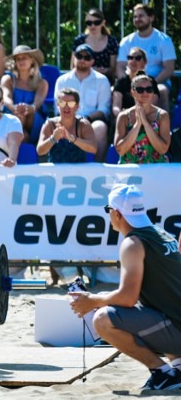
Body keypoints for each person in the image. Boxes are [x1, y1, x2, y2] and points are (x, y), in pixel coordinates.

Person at [70, 183, 181, 391]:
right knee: (146, 305)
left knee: (102, 320)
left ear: (117, 214)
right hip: (174, 320)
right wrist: (99, 297)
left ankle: (163, 373)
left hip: (176, 329)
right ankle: (177, 368)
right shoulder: (162, 234)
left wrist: (91, 301)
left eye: (107, 210)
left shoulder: (133, 243)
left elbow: (128, 298)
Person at [54, 43, 111, 162]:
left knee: (100, 127)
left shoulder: (102, 80)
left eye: (87, 57)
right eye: (79, 56)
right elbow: (57, 108)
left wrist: (86, 120)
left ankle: (98, 167)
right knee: (52, 126)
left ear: (92, 61)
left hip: (91, 121)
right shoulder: (62, 80)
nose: (82, 60)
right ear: (74, 58)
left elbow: (104, 110)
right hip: (66, 119)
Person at [116, 4, 176, 112]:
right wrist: (127, 83)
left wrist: (150, 84)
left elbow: (169, 68)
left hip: (158, 82)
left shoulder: (163, 40)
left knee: (161, 91)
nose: (137, 19)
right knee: (115, 92)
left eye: (141, 16)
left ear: (151, 17)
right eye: (135, 17)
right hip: (131, 81)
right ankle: (117, 126)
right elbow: (120, 67)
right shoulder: (126, 41)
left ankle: (163, 126)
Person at [114, 74, 170, 164]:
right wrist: (137, 125)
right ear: (132, 92)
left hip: (155, 169)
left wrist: (146, 124)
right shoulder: (123, 116)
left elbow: (163, 149)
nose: (145, 93)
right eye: (140, 90)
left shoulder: (162, 115)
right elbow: (121, 150)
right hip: (130, 170)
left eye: (149, 89)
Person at [1, 45, 49, 143]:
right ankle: (22, 138)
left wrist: (29, 108)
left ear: (32, 60)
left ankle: (22, 140)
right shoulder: (8, 79)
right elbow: (6, 97)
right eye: (18, 59)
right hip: (12, 113)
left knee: (26, 114)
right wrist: (14, 108)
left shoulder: (41, 83)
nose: (21, 61)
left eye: (24, 58)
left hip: (33, 118)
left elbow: (38, 102)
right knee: (18, 115)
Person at [36, 88, 97, 163]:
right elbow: (40, 151)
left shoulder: (83, 125)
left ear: (77, 106)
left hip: (78, 172)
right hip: (56, 172)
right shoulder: (50, 124)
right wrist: (53, 139)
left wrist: (72, 138)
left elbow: (93, 149)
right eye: (62, 103)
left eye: (71, 103)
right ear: (58, 105)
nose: (66, 107)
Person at [112, 48, 159, 133]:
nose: (133, 60)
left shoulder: (151, 82)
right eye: (130, 57)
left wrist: (139, 116)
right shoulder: (121, 82)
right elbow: (116, 106)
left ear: (144, 62)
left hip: (147, 117)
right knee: (118, 122)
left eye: (137, 58)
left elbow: (153, 103)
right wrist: (124, 115)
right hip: (126, 118)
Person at [71, 8, 119, 82]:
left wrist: (103, 71)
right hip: (82, 80)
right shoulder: (79, 41)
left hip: (105, 81)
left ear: (103, 22)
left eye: (97, 22)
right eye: (89, 23)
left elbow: (113, 69)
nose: (93, 26)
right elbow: (73, 66)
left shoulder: (111, 41)